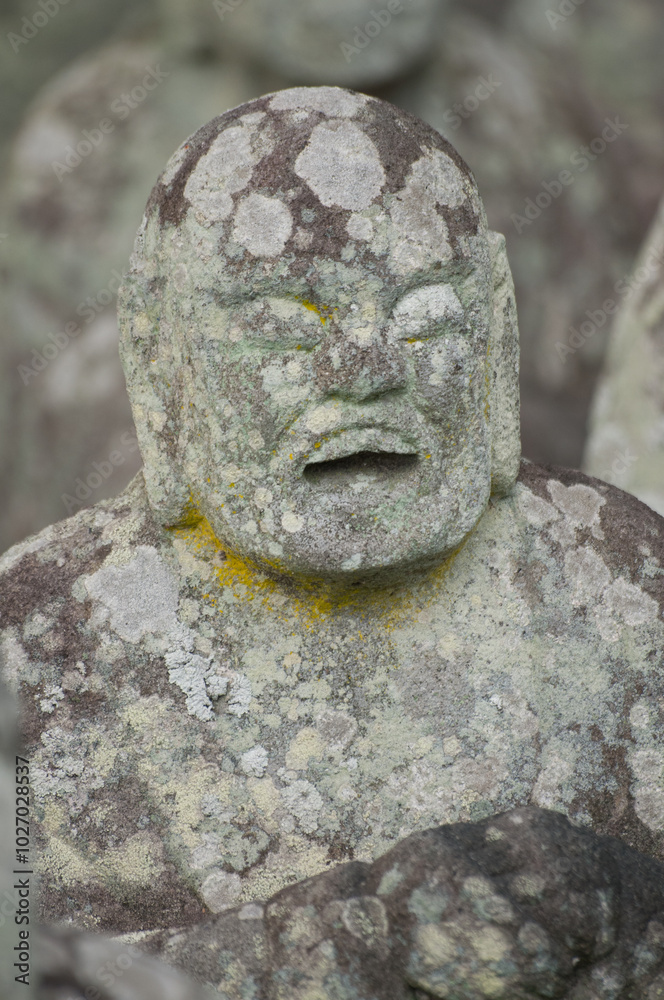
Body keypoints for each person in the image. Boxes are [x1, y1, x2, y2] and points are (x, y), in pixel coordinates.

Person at [2, 89, 663, 941]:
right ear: (160, 363)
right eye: (282, 327)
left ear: (498, 330)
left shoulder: (621, 594)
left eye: (426, 315)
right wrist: (317, 952)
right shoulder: (42, 655)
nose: (366, 367)